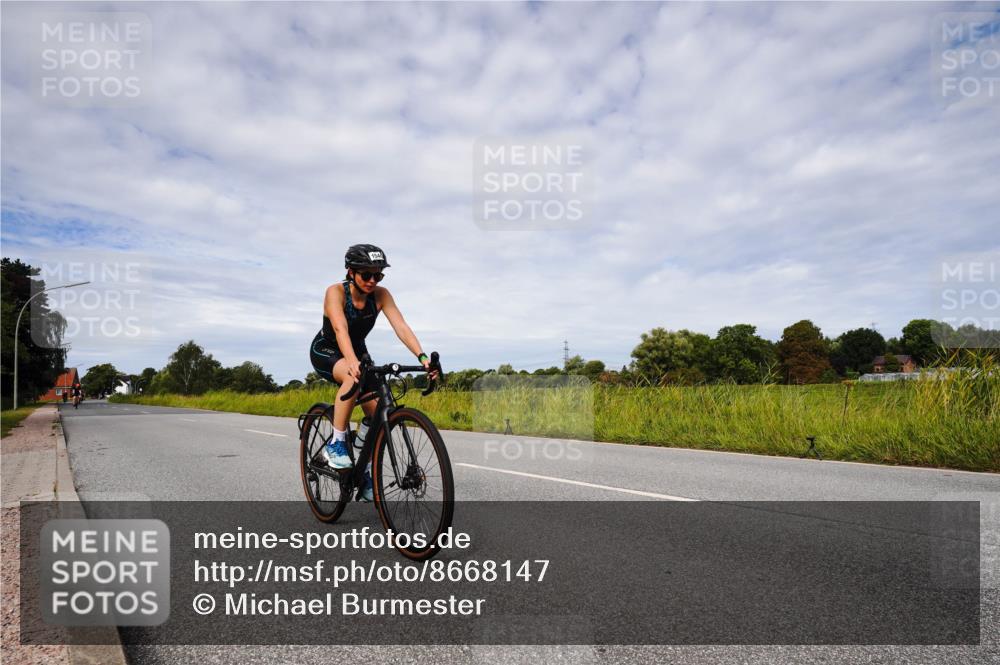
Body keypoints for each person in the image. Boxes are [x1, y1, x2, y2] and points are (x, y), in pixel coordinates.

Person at [308, 244, 438, 501]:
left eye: (377, 275)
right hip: (328, 350)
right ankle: (336, 443)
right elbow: (340, 329)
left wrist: (422, 358)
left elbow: (401, 325)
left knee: (377, 414)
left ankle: (362, 470)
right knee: (351, 375)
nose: (372, 280)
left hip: (358, 352)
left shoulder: (381, 295)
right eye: (366, 274)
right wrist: (351, 361)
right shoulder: (334, 292)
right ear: (350, 272)